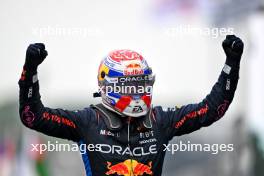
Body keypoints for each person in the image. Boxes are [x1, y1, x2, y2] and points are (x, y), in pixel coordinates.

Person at [18, 35, 244, 176]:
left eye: (142, 85)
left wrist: (231, 64)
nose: (137, 93)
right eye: (130, 86)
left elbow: (213, 110)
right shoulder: (87, 121)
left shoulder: (160, 120)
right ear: (106, 86)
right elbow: (32, 117)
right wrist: (30, 72)